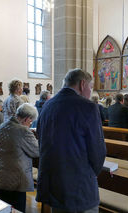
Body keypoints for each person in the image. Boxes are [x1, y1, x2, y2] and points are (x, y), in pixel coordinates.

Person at [36, 68, 106, 212]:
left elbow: (40, 139)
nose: (90, 92)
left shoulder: (47, 105)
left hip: (53, 184)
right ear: (82, 84)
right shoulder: (88, 107)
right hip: (79, 187)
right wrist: (90, 174)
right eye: (91, 87)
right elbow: (98, 151)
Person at [0, 103, 39, 212]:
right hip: (15, 180)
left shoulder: (4, 125)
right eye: (30, 122)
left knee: (1, 209)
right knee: (17, 210)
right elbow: (37, 151)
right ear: (26, 119)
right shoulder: (23, 131)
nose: (30, 124)